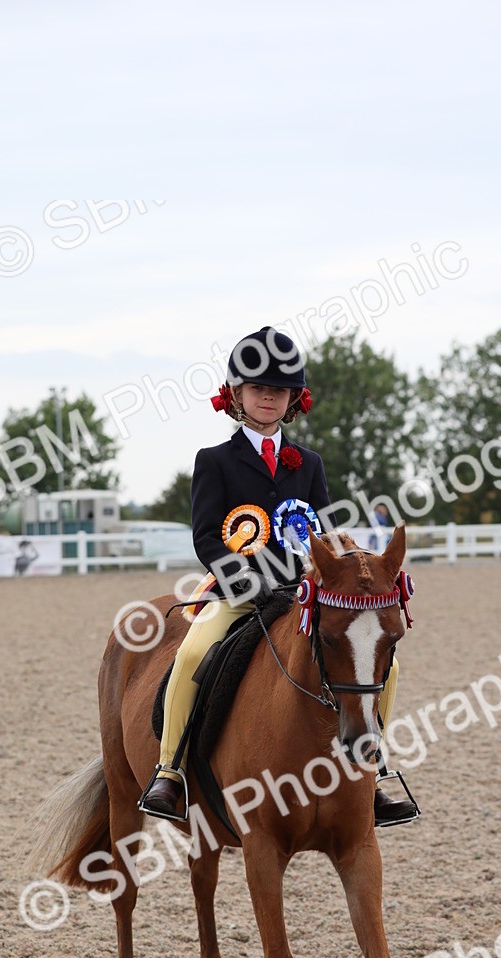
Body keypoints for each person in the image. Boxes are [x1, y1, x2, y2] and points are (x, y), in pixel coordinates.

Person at [142, 325, 417, 827]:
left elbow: (326, 533)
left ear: (293, 399)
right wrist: (246, 579)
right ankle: (170, 771)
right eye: (258, 388)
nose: (268, 396)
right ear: (237, 395)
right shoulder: (215, 462)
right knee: (192, 653)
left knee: (386, 666)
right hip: (239, 592)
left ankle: (374, 771)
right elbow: (206, 539)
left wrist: (354, 568)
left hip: (299, 594)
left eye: (279, 389)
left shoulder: (307, 464)